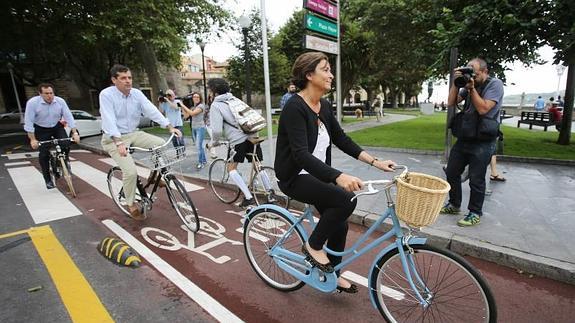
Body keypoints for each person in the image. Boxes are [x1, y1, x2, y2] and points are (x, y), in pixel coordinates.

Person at [275, 52, 396, 293]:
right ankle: (313, 246)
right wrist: (338, 176)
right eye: (325, 69)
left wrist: (375, 161)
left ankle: (333, 275)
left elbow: (341, 139)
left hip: (316, 175)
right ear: (309, 75)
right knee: (346, 199)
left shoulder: (325, 105)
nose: (331, 75)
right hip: (294, 177)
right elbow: (301, 155)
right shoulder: (294, 107)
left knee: (339, 223)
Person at [99, 64, 182, 220]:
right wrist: (118, 143)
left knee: (158, 142)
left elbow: (151, 110)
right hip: (114, 138)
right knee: (130, 172)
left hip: (133, 133)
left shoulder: (136, 94)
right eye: (123, 78)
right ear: (114, 80)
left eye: (129, 77)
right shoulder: (106, 95)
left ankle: (154, 174)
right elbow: (108, 119)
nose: (128, 81)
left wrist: (169, 127)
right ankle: (130, 203)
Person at [442, 58, 504, 227]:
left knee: (476, 179)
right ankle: (454, 204)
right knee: (452, 172)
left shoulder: (495, 84)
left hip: (484, 140)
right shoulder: (469, 83)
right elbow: (451, 102)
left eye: (475, 74)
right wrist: (456, 83)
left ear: (485, 72)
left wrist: (471, 89)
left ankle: (474, 212)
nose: (472, 77)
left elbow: (484, 108)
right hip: (465, 136)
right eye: (470, 73)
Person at [208, 78, 264, 208]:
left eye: (210, 90)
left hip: (237, 140)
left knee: (231, 169)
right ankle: (270, 194)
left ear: (214, 92)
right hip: (252, 135)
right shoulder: (234, 99)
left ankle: (248, 198)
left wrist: (214, 143)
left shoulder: (216, 105)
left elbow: (216, 131)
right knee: (258, 165)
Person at [24, 83, 80, 189]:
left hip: (56, 126)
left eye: (51, 93)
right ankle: (48, 179)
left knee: (65, 143)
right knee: (44, 154)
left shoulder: (60, 101)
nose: (49, 96)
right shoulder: (32, 103)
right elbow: (28, 122)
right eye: (46, 93)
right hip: (40, 128)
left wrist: (75, 132)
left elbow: (68, 116)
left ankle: (64, 162)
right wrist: (32, 139)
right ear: (40, 94)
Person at [183, 92, 208, 169]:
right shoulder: (192, 107)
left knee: (198, 146)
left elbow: (192, 114)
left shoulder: (201, 106)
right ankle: (204, 160)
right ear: (192, 98)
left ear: (200, 99)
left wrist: (182, 105)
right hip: (194, 128)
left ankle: (201, 163)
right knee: (199, 146)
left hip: (200, 128)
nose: (196, 98)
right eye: (194, 97)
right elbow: (186, 116)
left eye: (197, 97)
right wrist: (182, 107)